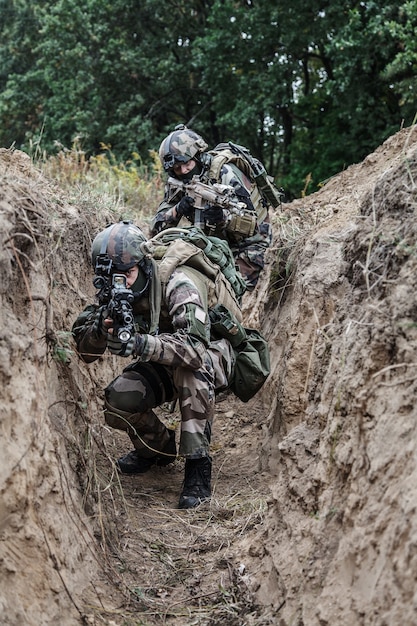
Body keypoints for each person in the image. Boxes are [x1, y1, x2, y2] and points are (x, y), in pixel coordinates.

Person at [72, 220, 238, 509]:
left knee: (191, 374)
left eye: (129, 274)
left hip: (213, 355)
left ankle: (198, 465)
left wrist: (139, 344)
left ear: (145, 264)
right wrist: (100, 330)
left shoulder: (178, 282)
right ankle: (158, 450)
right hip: (166, 356)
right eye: (113, 277)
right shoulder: (112, 292)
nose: (122, 283)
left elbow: (194, 351)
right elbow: (85, 354)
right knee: (118, 399)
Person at [151, 124, 274, 291]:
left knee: (230, 291)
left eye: (186, 163)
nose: (183, 170)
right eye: (176, 168)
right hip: (213, 244)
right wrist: (178, 209)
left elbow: (253, 225)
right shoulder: (178, 183)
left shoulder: (225, 174)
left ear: (197, 155)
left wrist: (224, 218)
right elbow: (156, 228)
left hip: (247, 245)